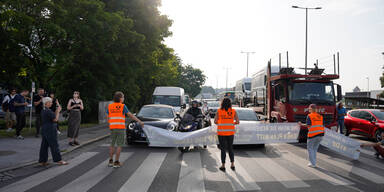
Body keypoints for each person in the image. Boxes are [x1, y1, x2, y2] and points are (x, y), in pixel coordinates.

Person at [106, 91, 144, 168]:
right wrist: (139, 121)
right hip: (120, 128)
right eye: (123, 97)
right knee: (119, 145)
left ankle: (110, 161)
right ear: (120, 98)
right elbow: (130, 115)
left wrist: (110, 125)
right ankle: (116, 162)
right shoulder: (123, 106)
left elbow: (108, 116)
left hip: (113, 128)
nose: (123, 98)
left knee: (112, 145)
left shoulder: (110, 106)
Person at [39, 97, 68, 166]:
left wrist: (57, 109)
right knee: (54, 144)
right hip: (50, 129)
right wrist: (58, 111)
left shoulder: (44, 110)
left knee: (44, 145)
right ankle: (59, 160)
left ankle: (43, 161)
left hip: (44, 129)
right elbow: (55, 119)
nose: (51, 103)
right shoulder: (48, 111)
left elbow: (52, 116)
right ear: (46, 103)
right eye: (50, 102)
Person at [214, 98, 239, 172]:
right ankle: (232, 164)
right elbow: (237, 121)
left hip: (221, 132)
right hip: (230, 133)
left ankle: (223, 165)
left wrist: (221, 123)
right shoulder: (233, 111)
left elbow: (215, 121)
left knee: (223, 149)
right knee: (230, 148)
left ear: (222, 103)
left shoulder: (219, 111)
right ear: (230, 104)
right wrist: (231, 123)